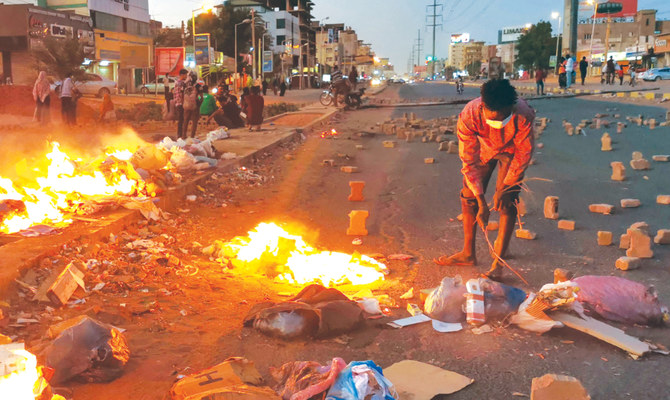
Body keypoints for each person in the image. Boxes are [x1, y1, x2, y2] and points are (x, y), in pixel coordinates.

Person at [434, 79, 535, 281]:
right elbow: (468, 161)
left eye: (503, 118)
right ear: (483, 107)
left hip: (510, 153)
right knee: (469, 197)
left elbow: (524, 152)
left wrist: (504, 188)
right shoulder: (469, 115)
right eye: (493, 118)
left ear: (511, 107)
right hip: (482, 151)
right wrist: (481, 202)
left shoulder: (523, 114)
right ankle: (468, 254)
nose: (498, 123)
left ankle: (498, 262)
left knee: (507, 201)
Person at [182, 71, 203, 139]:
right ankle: (192, 136)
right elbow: (201, 97)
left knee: (185, 120)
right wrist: (198, 105)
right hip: (194, 106)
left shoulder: (185, 85)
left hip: (186, 105)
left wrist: (184, 103)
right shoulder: (198, 86)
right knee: (194, 121)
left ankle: (184, 136)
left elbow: (182, 94)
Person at [173, 68, 188, 138]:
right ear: (182, 75)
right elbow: (182, 92)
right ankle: (180, 134)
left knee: (181, 119)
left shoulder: (178, 82)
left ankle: (180, 134)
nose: (186, 76)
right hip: (180, 103)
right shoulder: (180, 82)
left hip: (178, 102)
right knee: (181, 119)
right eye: (185, 75)